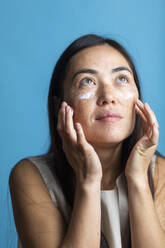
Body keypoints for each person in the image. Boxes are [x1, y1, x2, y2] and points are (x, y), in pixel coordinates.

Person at [9, 34, 165, 248]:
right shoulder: (31, 176)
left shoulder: (160, 172)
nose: (108, 96)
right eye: (87, 82)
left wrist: (137, 178)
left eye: (121, 78)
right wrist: (89, 181)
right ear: (59, 107)